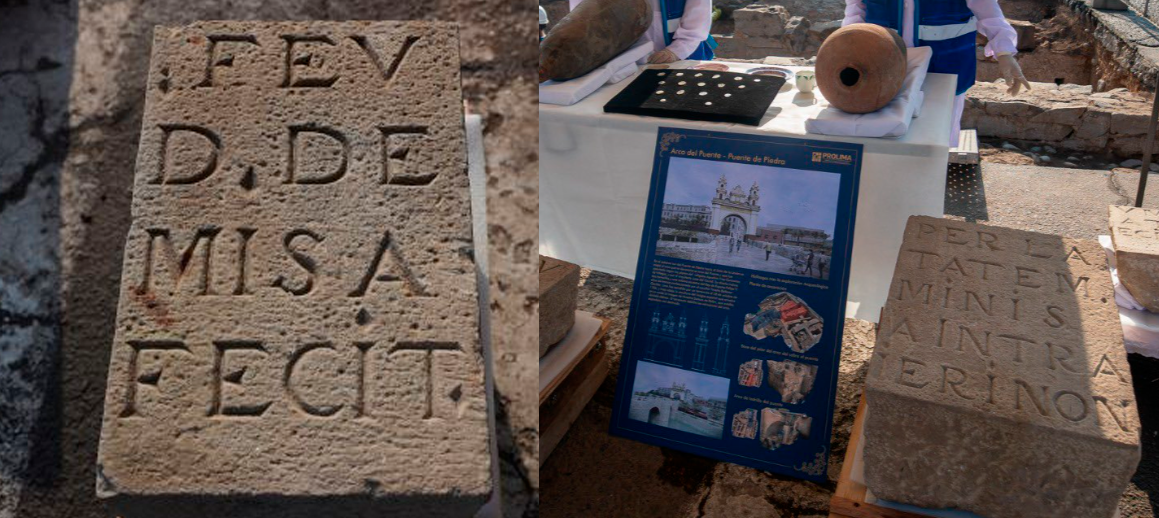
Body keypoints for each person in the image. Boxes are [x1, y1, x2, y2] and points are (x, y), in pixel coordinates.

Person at [842, 0, 1030, 145]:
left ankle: (932, 180)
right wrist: (848, 47)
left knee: (936, 137)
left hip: (945, 67)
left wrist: (1004, 51)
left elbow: (988, 10)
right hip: (883, 65)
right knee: (884, 135)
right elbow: (856, 10)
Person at [568, 0, 716, 64]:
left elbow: (699, 15)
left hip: (682, 56)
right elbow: (582, 15)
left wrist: (677, 51)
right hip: (620, 59)